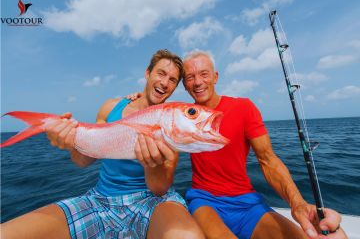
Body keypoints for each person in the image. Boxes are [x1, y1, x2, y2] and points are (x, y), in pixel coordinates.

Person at [129, 50, 347, 239]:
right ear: (185, 85)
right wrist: (140, 98)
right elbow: (159, 111)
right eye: (190, 77)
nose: (197, 82)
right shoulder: (185, 115)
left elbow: (268, 160)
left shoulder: (243, 108)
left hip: (248, 203)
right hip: (205, 201)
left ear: (215, 77)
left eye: (204, 74)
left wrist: (297, 204)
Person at [1, 49, 205, 239]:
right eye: (161, 73)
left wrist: (154, 163)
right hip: (100, 199)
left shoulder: (173, 123)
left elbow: (160, 188)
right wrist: (70, 141)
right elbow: (83, 160)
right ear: (148, 73)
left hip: (152, 201)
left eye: (172, 80)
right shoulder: (111, 106)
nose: (165, 83)